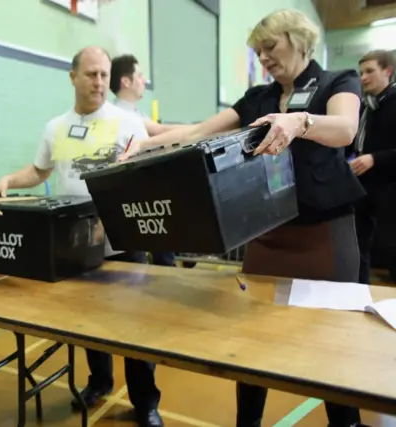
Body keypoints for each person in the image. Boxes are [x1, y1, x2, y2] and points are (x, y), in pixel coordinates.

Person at [120, 9, 366, 427]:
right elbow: (200, 130)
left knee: (331, 345)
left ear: (298, 38)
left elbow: (344, 128)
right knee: (251, 341)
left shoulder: (337, 81)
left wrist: (300, 121)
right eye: (258, 52)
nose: (264, 58)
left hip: (325, 235)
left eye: (270, 47)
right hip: (268, 233)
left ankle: (346, 422)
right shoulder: (259, 97)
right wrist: (145, 145)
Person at [0, 46, 163, 427]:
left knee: (134, 330)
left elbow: (144, 178)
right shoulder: (56, 127)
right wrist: (8, 180)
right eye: (90, 74)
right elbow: (39, 171)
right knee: (90, 324)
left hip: (122, 245)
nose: (98, 82)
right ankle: (99, 382)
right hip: (78, 248)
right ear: (73, 77)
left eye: (103, 75)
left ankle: (145, 401)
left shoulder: (127, 123)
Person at [110, 54, 177, 267]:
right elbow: (161, 131)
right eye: (139, 75)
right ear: (125, 81)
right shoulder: (121, 115)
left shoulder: (136, 113)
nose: (144, 80)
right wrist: (207, 129)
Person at [347, 50, 396, 284]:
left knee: (390, 247)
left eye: (369, 71)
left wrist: (374, 158)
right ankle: (360, 295)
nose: (363, 77)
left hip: (389, 187)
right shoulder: (364, 106)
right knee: (359, 246)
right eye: (361, 73)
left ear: (388, 71)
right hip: (363, 185)